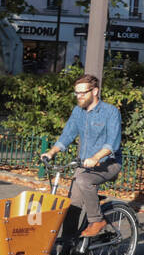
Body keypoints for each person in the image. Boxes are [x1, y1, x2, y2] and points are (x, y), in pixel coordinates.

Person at [39, 74, 122, 238]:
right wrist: (51, 152)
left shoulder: (110, 112)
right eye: (76, 93)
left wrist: (96, 157)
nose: (79, 96)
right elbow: (67, 135)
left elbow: (112, 144)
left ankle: (97, 220)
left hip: (108, 163)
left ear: (95, 91)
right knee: (72, 206)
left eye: (83, 93)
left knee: (84, 180)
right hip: (84, 165)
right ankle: (68, 249)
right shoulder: (78, 112)